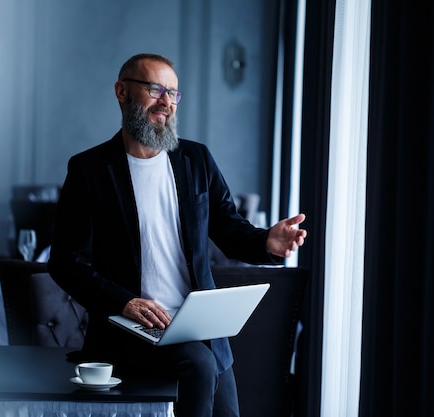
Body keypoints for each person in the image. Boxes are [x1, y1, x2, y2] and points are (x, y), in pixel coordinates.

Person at [47, 53, 307, 417]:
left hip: (201, 329)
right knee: (198, 363)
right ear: (122, 92)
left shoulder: (196, 160)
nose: (166, 102)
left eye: (173, 93)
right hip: (131, 331)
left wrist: (266, 242)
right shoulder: (90, 169)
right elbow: (66, 262)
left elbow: (229, 229)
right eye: (156, 90)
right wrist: (125, 302)